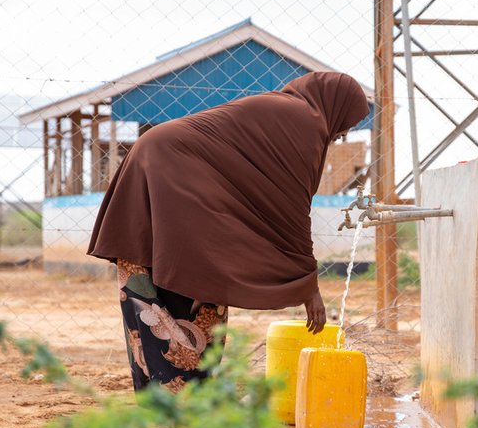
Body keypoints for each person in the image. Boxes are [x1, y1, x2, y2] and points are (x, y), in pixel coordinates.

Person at [87, 72, 370, 392]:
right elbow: (291, 210)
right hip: (169, 168)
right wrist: (308, 286)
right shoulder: (306, 124)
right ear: (336, 106)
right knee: (183, 286)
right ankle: (180, 399)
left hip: (156, 162)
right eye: (348, 122)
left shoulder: (291, 111)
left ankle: (172, 399)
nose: (345, 132)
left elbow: (264, 196)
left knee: (180, 283)